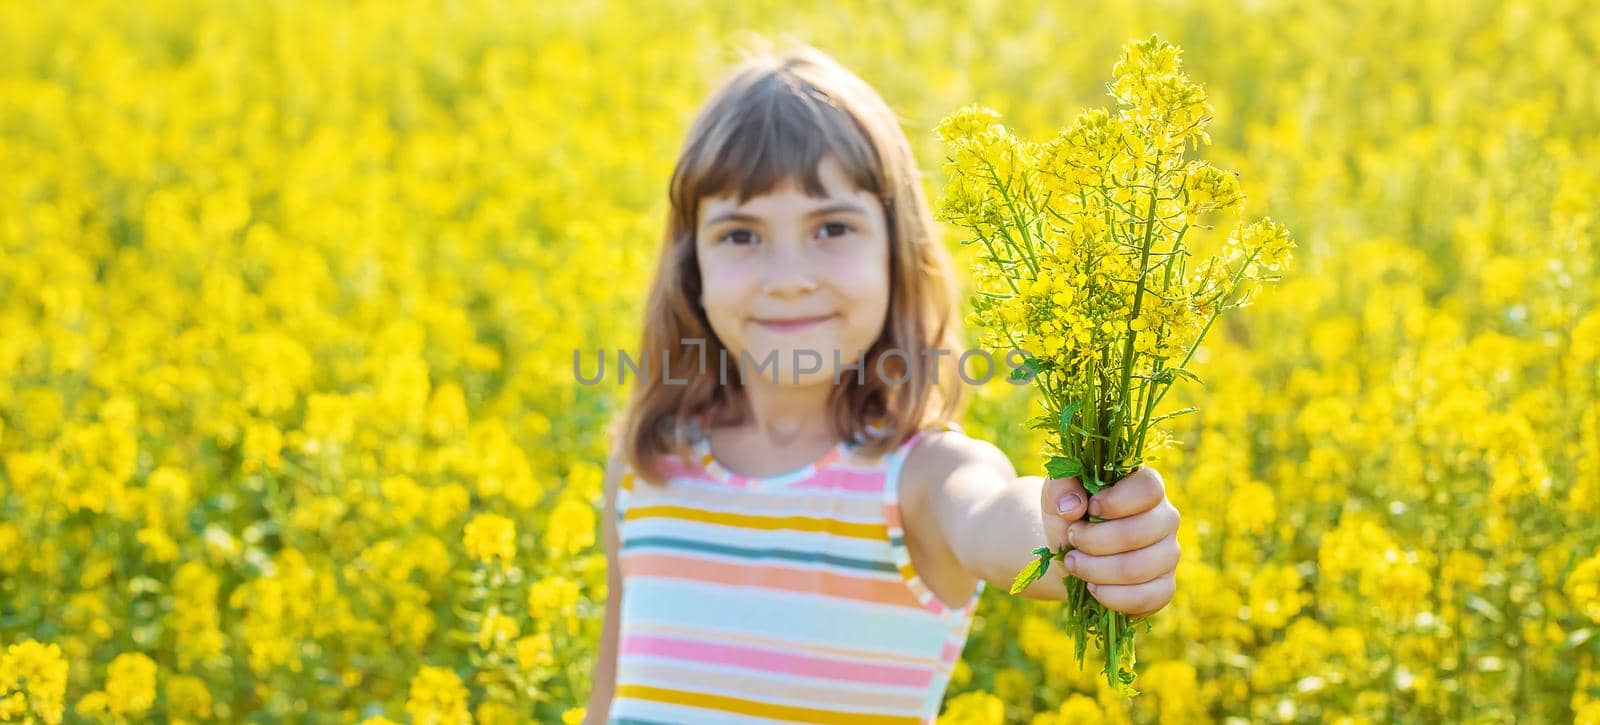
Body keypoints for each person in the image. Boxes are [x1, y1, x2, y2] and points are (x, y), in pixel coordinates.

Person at [583, 41, 1182, 725]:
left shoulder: (920, 477)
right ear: (693, 267)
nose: (788, 276)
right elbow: (608, 698)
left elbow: (995, 517)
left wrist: (1082, 533)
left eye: (832, 227)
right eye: (740, 235)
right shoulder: (646, 469)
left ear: (897, 256)